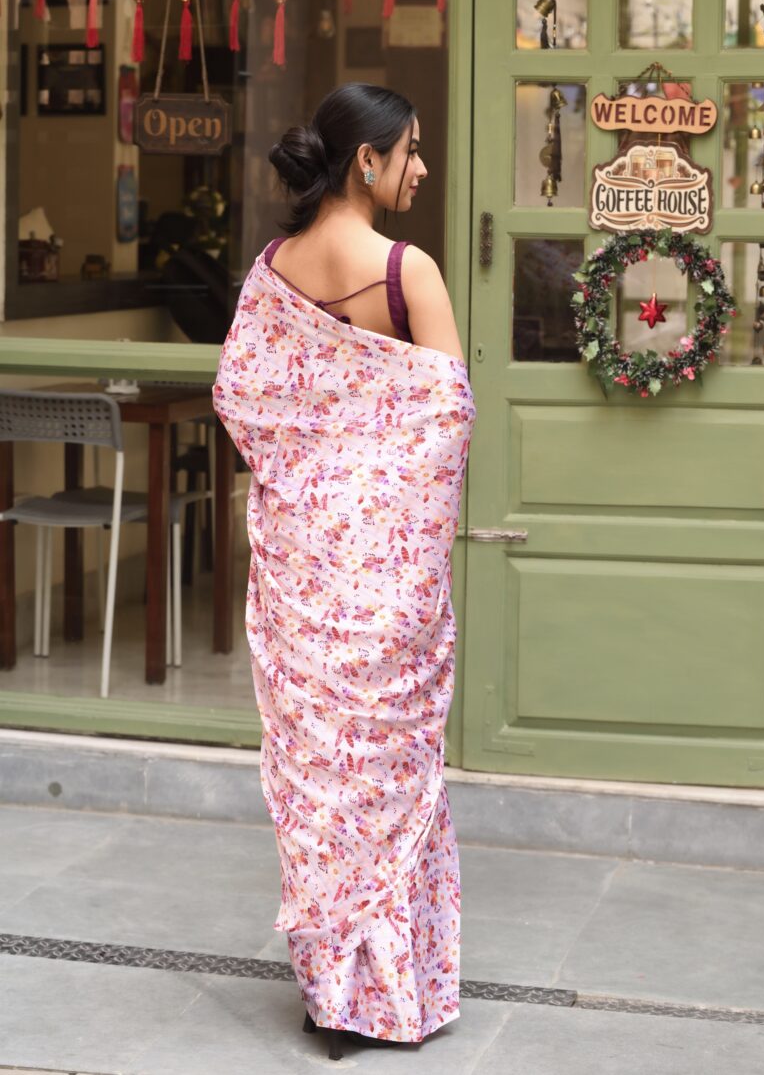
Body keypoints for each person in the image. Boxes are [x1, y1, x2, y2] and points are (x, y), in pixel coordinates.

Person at [213, 82, 475, 1060]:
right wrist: (384, 505)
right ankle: (394, 995)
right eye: (409, 151)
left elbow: (245, 400)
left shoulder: (272, 272)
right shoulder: (410, 271)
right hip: (385, 575)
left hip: (304, 571)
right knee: (391, 773)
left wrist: (316, 482)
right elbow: (445, 423)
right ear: (364, 161)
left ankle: (335, 995)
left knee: (322, 776)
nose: (419, 169)